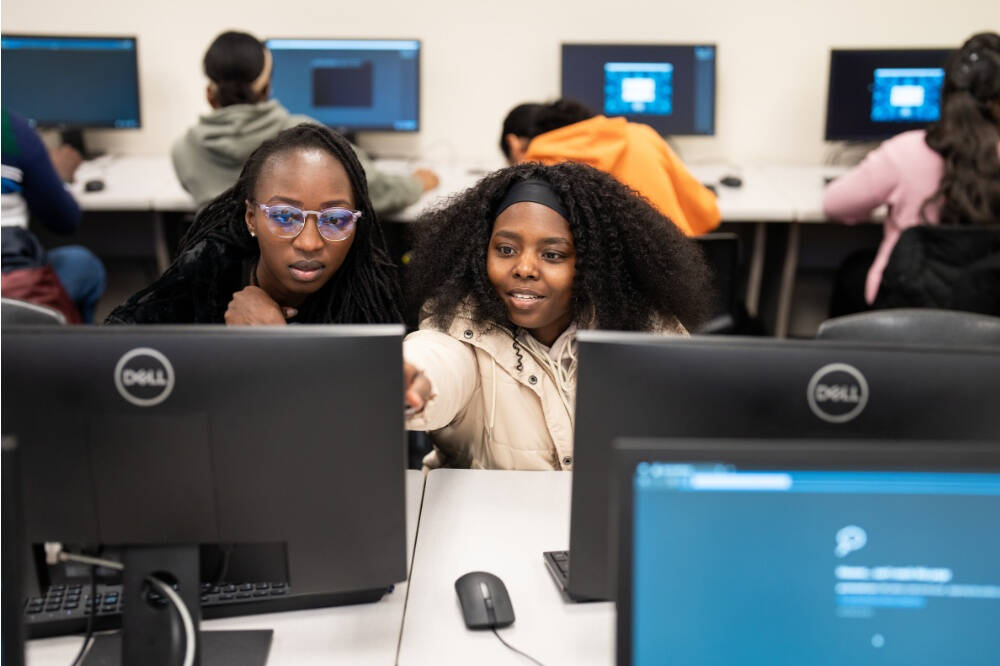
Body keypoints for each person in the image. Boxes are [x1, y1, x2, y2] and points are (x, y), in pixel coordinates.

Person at [401, 162, 711, 470]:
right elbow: (440, 360)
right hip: (490, 517)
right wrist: (414, 377)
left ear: (589, 265)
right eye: (506, 249)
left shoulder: (642, 330)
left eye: (552, 255)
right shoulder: (458, 325)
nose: (524, 268)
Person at [106, 124, 402, 325]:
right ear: (251, 218)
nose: (309, 243)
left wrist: (274, 343)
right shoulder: (211, 266)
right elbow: (112, 349)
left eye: (335, 220)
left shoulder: (370, 299)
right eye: (285, 217)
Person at [824, 32, 1000, 314]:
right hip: (986, 315)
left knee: (852, 269)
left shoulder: (906, 151)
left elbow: (834, 205)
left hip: (905, 304)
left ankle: (843, 357)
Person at [172, 31, 438, 213]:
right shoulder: (307, 137)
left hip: (222, 283)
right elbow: (376, 192)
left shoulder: (183, 149)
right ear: (267, 87)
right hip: (299, 281)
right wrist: (418, 183)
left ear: (209, 93)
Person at [499, 98, 721, 236]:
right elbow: (707, 214)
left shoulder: (537, 167)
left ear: (514, 144)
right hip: (675, 288)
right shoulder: (641, 135)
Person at [1, 108, 106, 322]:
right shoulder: (10, 130)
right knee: (84, 265)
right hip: (11, 290)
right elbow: (65, 220)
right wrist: (58, 177)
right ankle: (71, 350)